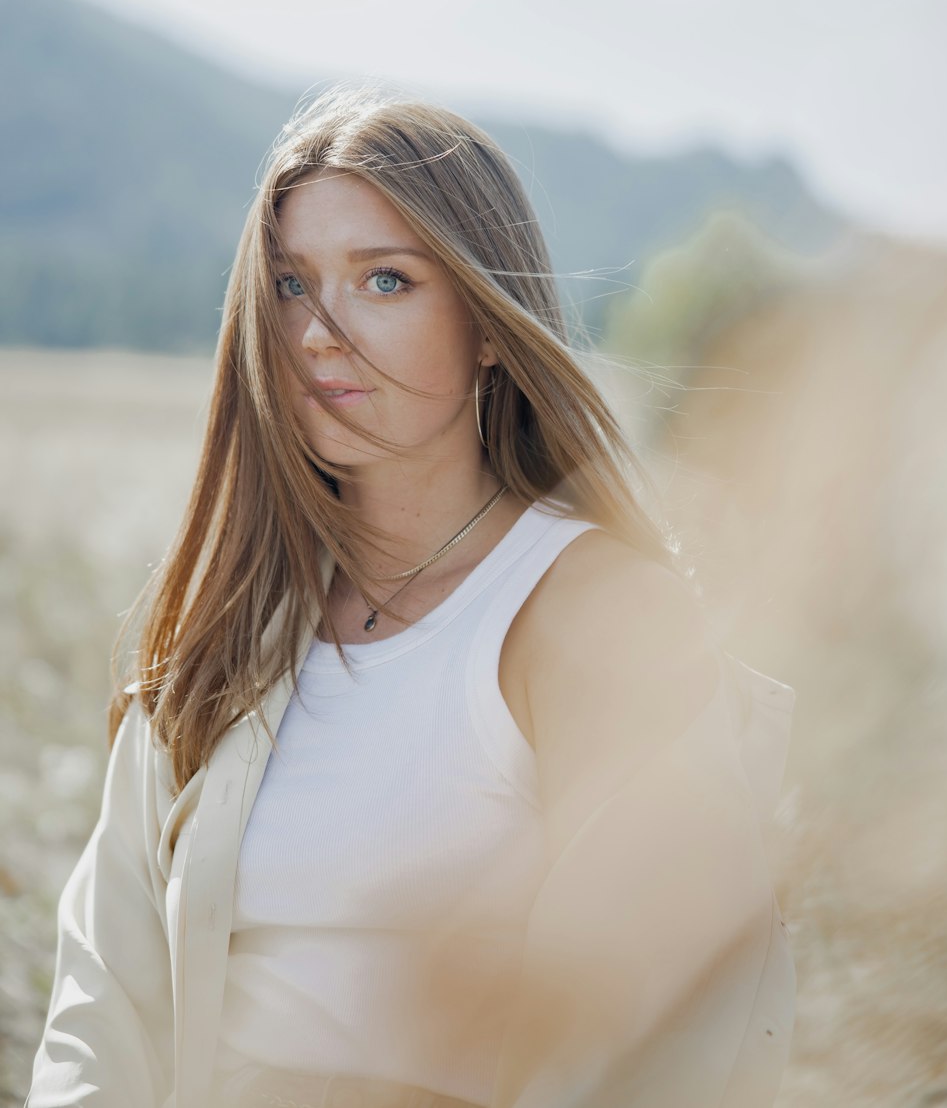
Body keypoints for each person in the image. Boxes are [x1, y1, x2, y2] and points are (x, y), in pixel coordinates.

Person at [27, 87, 796, 1108]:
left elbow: (661, 1033)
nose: (316, 333)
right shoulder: (233, 634)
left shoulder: (590, 615)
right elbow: (102, 1002)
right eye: (291, 284)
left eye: (384, 280)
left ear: (486, 326)